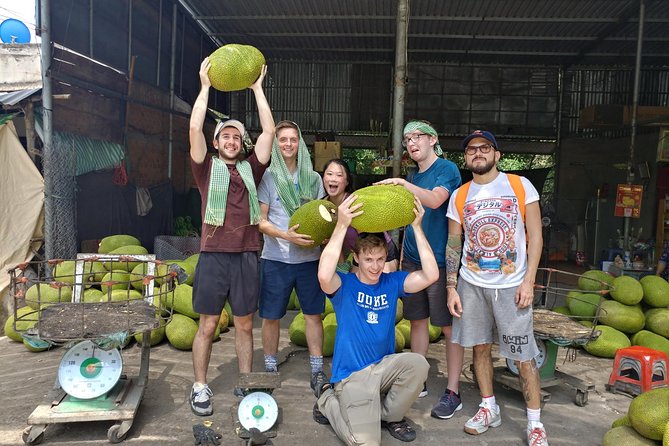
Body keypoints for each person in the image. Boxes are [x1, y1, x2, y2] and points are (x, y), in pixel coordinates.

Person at [445, 130, 547, 445]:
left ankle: (534, 423)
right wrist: (451, 286)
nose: (478, 153)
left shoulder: (519, 186)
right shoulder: (460, 195)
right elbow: (453, 243)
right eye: (471, 150)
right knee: (479, 347)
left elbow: (536, 236)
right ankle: (489, 407)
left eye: (484, 148)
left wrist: (529, 281)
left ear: (497, 154)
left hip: (512, 284)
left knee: (522, 355)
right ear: (465, 158)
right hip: (471, 284)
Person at [314, 193, 438, 445]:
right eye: (368, 259)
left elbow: (431, 275)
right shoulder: (344, 285)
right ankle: (327, 400)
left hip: (383, 371)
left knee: (418, 364)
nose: (375, 266)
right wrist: (341, 225)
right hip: (352, 377)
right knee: (365, 443)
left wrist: (417, 227)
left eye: (380, 259)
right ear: (356, 258)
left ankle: (386, 415)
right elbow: (324, 276)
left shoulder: (391, 282)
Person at [188, 58, 275, 416]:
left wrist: (256, 89)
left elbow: (268, 133)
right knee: (207, 324)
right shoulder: (205, 167)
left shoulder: (251, 169)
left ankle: (245, 379)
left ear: (242, 144)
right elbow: (194, 129)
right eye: (226, 135)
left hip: (246, 254)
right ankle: (200, 386)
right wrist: (205, 86)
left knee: (243, 323)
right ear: (216, 141)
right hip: (212, 254)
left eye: (237, 137)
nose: (231, 140)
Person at [375, 120, 464, 419]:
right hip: (412, 260)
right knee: (417, 321)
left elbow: (437, 200)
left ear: (432, 139)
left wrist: (402, 184)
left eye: (417, 137)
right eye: (407, 139)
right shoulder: (414, 174)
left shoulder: (446, 170)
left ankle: (453, 391)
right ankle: (419, 378)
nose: (411, 143)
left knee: (449, 327)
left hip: (438, 261)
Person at [257, 120, 328, 391]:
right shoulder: (268, 177)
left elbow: (322, 217)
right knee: (271, 316)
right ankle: (270, 365)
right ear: (276, 144)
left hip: (308, 260)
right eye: (283, 140)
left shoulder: (313, 178)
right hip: (276, 258)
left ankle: (317, 368)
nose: (288, 144)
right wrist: (286, 235)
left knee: (313, 315)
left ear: (300, 144)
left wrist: (320, 237)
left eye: (293, 139)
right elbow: (260, 221)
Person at [322, 158, 399, 273]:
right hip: (359, 253)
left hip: (379, 249)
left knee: (379, 288)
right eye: (329, 174)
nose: (333, 179)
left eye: (339, 175)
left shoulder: (355, 204)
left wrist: (373, 264)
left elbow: (370, 238)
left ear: (347, 181)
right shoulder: (323, 206)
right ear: (323, 178)